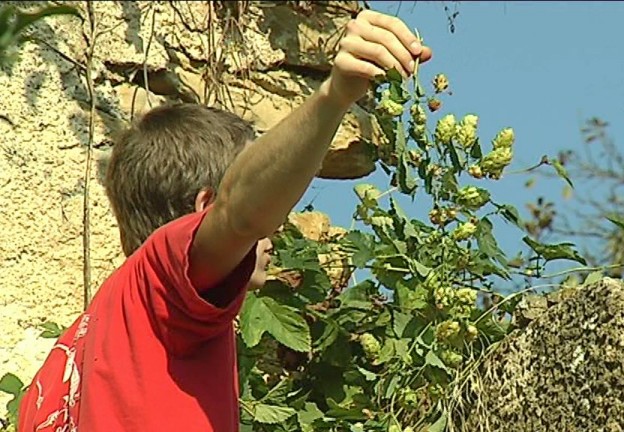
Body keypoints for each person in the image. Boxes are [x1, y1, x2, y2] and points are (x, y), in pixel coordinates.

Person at [17, 9, 431, 432]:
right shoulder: (162, 286)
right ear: (203, 209)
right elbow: (239, 214)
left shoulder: (60, 373)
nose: (275, 230)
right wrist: (335, 95)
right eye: (271, 213)